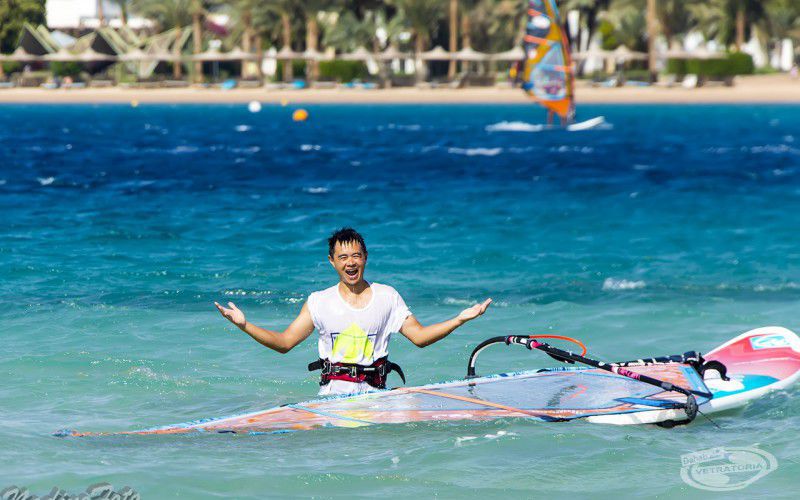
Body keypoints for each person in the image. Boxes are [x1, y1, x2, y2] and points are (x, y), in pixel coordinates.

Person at [215, 227, 492, 396]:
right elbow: (285, 343)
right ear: (332, 261)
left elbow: (419, 337)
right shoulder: (319, 301)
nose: (351, 263)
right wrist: (245, 325)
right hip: (332, 401)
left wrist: (459, 319)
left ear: (366, 257)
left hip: (376, 398)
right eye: (343, 257)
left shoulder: (387, 296)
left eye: (356, 256)